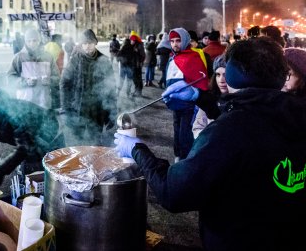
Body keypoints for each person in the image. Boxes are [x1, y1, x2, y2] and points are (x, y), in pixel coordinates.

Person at [114, 38, 306, 251]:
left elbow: (173, 192)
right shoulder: (295, 113)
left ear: (233, 73)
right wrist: (198, 96)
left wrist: (136, 148)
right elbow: (254, 116)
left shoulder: (229, 131)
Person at [60, 29, 117, 145]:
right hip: (77, 111)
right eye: (84, 43)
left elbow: (111, 88)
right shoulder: (75, 60)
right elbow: (64, 83)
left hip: (97, 112)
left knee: (95, 144)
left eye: (90, 43)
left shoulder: (104, 61)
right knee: (78, 145)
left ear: (95, 43)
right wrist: (66, 108)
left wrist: (111, 112)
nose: (87, 46)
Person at [165, 28, 208, 161]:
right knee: (177, 131)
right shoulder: (172, 58)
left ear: (184, 40)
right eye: (172, 41)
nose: (174, 44)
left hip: (189, 105)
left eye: (178, 40)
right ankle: (178, 156)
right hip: (174, 103)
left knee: (185, 133)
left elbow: (202, 80)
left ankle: (186, 159)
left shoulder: (193, 57)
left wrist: (196, 97)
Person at [8, 28, 60, 110]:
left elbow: (57, 77)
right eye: (29, 41)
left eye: (34, 40)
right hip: (25, 103)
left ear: (39, 41)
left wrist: (49, 80)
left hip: (44, 103)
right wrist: (25, 82)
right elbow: (10, 79)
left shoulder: (48, 57)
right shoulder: (19, 57)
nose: (32, 43)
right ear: (25, 41)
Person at [192, 54, 228, 138]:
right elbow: (197, 127)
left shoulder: (240, 100)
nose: (221, 80)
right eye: (218, 75)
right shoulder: (209, 98)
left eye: (225, 75)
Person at [130, 31, 146, 96]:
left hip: (137, 65)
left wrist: (140, 62)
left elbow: (143, 55)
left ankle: (138, 91)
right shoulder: (134, 46)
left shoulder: (139, 46)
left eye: (132, 40)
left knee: (137, 78)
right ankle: (137, 90)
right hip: (134, 64)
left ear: (134, 40)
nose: (131, 41)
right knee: (135, 78)